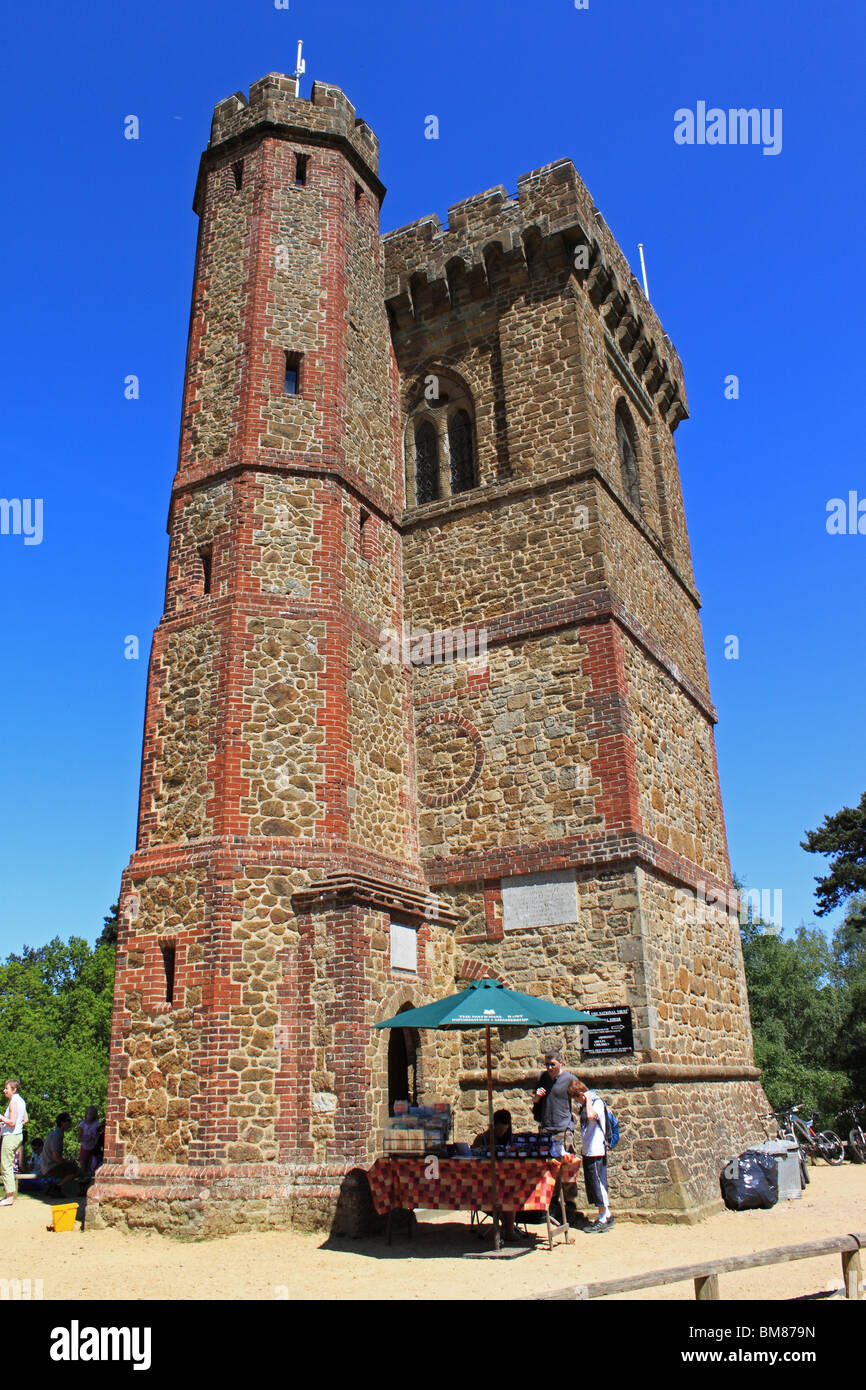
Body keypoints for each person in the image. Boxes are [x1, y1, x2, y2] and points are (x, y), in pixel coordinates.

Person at [531, 1048, 579, 1212]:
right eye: (547, 1065)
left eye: (552, 1064)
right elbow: (535, 1102)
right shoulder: (541, 1078)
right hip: (546, 1130)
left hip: (563, 1131)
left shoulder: (569, 1079)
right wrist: (537, 1097)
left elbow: (584, 1095)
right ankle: (553, 1206)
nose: (549, 1068)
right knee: (549, 1171)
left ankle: (570, 1207)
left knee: (567, 1170)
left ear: (561, 1063)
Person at [569, 1078, 614, 1232]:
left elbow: (590, 1116)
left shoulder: (596, 1103)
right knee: (594, 1184)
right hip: (589, 1150)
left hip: (596, 1150)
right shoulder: (590, 1102)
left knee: (598, 1183)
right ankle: (606, 1214)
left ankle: (602, 1218)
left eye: (576, 1098)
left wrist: (587, 1099)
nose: (576, 1102)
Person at [0, 1078, 29, 1207]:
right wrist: (8, 1124)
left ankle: (9, 1196)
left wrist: (1, 1117)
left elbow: (11, 1122)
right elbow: (25, 1119)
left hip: (10, 1136)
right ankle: (9, 1195)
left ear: (14, 1089)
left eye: (7, 1088)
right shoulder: (21, 1101)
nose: (4, 1090)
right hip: (18, 1135)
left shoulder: (13, 1102)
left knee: (5, 1165)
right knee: (9, 1164)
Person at [41, 1113, 78, 1189]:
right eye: (68, 1120)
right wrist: (68, 1163)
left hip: (50, 1166)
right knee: (77, 1170)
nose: (70, 1123)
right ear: (62, 1123)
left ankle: (54, 1187)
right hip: (50, 1168)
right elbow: (56, 1157)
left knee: (72, 1167)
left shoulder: (57, 1134)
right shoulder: (56, 1135)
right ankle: (56, 1188)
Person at [77, 1107, 102, 1176]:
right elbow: (79, 1138)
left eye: (92, 1114)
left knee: (91, 1166)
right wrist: (86, 1139)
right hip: (85, 1147)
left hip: (93, 1148)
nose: (90, 1115)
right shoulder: (82, 1124)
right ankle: (82, 1179)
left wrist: (96, 1139)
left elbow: (99, 1133)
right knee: (83, 1166)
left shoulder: (97, 1124)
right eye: (89, 1114)